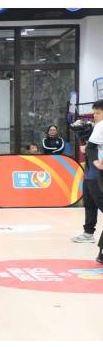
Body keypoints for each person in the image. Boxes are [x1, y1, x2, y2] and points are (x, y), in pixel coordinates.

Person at [71, 100, 103, 264]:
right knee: (89, 204)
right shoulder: (96, 126)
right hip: (91, 173)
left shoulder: (100, 126)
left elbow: (90, 148)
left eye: (98, 113)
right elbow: (88, 148)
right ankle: (88, 233)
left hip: (97, 173)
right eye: (94, 113)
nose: (95, 116)